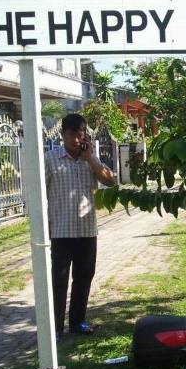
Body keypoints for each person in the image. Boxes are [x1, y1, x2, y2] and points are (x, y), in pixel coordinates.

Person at [44, 114, 115, 341]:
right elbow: (39, 193)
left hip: (87, 230)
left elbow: (110, 181)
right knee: (59, 280)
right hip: (61, 231)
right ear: (62, 134)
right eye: (71, 135)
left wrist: (90, 158)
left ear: (86, 136)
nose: (75, 139)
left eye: (80, 135)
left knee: (84, 277)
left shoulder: (90, 161)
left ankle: (77, 321)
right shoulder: (50, 159)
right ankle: (56, 327)